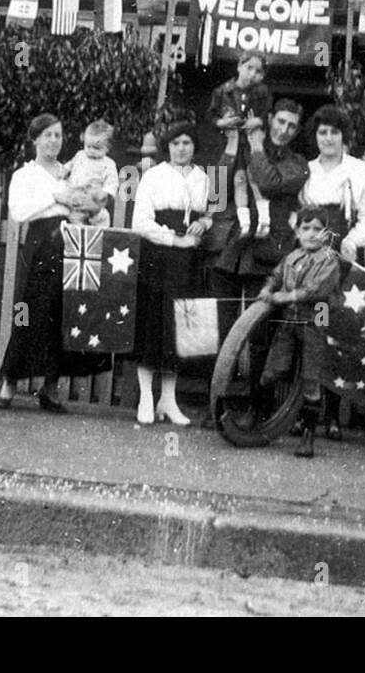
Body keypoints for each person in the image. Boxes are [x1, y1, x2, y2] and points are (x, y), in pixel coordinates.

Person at [207, 98, 307, 426]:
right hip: (232, 251)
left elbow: (269, 183)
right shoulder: (245, 148)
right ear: (269, 120)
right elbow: (219, 181)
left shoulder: (298, 163)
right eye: (280, 122)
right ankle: (217, 405)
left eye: (291, 126)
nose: (284, 130)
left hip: (267, 254)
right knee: (223, 329)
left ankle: (255, 408)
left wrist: (256, 145)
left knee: (260, 335)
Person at [0, 114, 102, 412]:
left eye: (58, 135)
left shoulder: (70, 172)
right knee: (26, 311)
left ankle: (50, 388)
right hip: (40, 243)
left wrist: (82, 203)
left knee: (62, 313)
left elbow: (89, 202)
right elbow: (18, 211)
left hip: (70, 242)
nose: (54, 141)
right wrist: (56, 195)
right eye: (47, 136)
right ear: (35, 140)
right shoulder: (25, 175)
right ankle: (9, 381)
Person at [295, 103, 365, 440]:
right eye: (322, 132)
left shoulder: (360, 171)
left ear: (344, 136)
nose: (328, 138)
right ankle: (305, 414)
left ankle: (331, 415)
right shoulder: (306, 170)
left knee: (336, 331)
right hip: (310, 259)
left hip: (342, 260)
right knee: (311, 330)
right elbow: (297, 217)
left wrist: (352, 241)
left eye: (334, 132)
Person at [129, 121, 212, 426]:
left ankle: (168, 399)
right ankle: (147, 399)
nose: (181, 149)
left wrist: (204, 224)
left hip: (188, 260)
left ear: (194, 146)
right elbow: (141, 223)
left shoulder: (205, 178)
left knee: (179, 329)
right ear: (168, 147)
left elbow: (212, 213)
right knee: (153, 322)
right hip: (158, 256)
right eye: (176, 143)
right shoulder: (153, 175)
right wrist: (173, 239)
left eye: (187, 143)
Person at [255, 206, 342, 458]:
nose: (312, 234)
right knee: (272, 371)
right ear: (298, 231)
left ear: (326, 234)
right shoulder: (292, 257)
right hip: (289, 323)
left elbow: (315, 291)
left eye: (317, 229)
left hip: (315, 324)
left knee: (311, 380)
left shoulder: (329, 260)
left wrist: (282, 296)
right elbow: (276, 275)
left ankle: (308, 437)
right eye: (306, 228)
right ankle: (260, 421)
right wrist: (268, 288)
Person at [210, 54, 273, 235]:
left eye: (258, 71)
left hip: (252, 142)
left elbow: (268, 114)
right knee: (240, 179)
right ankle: (244, 222)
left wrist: (259, 121)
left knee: (255, 178)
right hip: (231, 143)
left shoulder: (262, 92)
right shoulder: (222, 91)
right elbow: (212, 116)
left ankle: (264, 219)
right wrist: (221, 123)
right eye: (249, 68)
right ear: (239, 66)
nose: (252, 74)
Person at [61, 120, 120, 226]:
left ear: (107, 148)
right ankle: (78, 234)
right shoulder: (80, 155)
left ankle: (98, 236)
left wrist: (106, 192)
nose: (91, 151)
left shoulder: (108, 164)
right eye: (88, 146)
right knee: (74, 219)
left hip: (94, 200)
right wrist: (64, 170)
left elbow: (112, 181)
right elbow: (70, 165)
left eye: (97, 148)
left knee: (103, 217)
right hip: (75, 196)